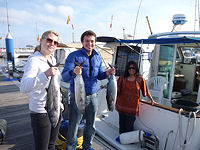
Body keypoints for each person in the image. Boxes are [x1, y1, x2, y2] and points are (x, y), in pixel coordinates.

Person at [62, 30, 115, 150]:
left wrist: (107, 73)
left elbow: (100, 75)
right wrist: (73, 71)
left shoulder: (97, 56)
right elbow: (64, 76)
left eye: (92, 41)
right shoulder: (73, 56)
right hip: (77, 96)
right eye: (87, 41)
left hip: (93, 96)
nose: (89, 44)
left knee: (91, 126)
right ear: (82, 42)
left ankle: (87, 146)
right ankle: (70, 147)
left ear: (95, 42)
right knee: (74, 125)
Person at [20, 30, 63, 150]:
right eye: (49, 40)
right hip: (40, 112)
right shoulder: (34, 61)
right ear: (41, 40)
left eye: (55, 42)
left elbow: (57, 85)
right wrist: (45, 74)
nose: (52, 44)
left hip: (56, 108)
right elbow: (24, 87)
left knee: (52, 145)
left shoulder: (53, 60)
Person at [115, 61, 155, 134]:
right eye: (129, 68)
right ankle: (122, 140)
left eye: (133, 68)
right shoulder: (121, 78)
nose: (131, 69)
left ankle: (128, 141)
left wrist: (152, 100)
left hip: (132, 108)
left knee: (129, 127)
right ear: (127, 69)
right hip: (121, 106)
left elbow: (145, 90)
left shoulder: (140, 79)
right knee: (122, 126)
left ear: (136, 69)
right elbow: (116, 91)